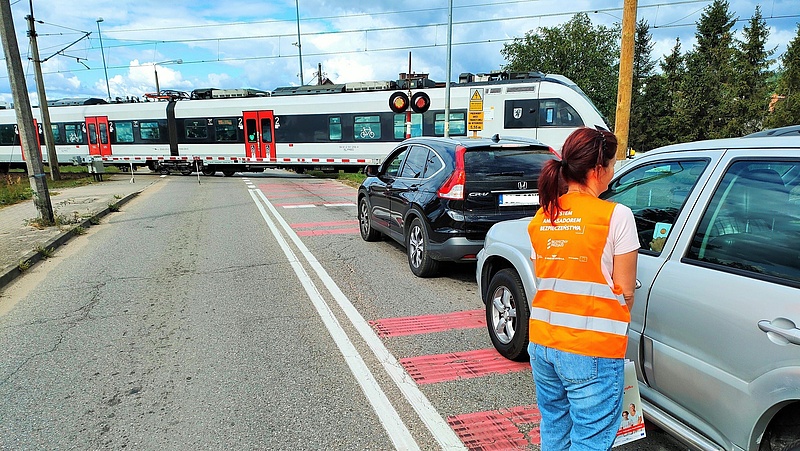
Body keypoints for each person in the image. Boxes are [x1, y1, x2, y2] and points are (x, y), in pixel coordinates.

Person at [527, 127, 639, 450]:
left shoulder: (543, 216)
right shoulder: (616, 217)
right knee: (589, 442)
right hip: (591, 352)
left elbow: (549, 277)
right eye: (613, 165)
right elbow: (626, 292)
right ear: (597, 170)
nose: (613, 172)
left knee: (555, 431)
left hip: (543, 345)